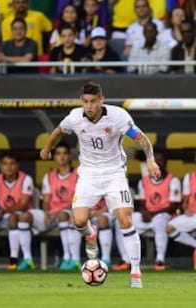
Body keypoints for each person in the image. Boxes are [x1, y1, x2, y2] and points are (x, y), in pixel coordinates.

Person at [40, 81, 161, 288]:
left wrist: (150, 159)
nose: (89, 106)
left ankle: (135, 273)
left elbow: (141, 138)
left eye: (93, 101)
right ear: (81, 101)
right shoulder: (75, 117)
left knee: (125, 219)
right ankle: (91, 234)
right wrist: (46, 148)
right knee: (78, 221)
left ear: (101, 100)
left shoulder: (118, 117)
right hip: (88, 175)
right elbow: (59, 131)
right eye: (85, 101)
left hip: (114, 174)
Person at [133, 151, 181, 270]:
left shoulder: (172, 179)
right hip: (148, 216)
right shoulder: (143, 181)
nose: (158, 163)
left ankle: (159, 260)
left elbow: (174, 205)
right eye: (156, 161)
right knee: (128, 220)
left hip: (166, 216)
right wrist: (144, 212)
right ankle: (128, 259)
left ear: (166, 163)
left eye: (161, 160)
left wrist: (152, 214)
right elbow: (142, 202)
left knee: (160, 220)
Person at [0, 152, 34, 270]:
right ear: (1, 166)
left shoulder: (26, 179)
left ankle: (13, 260)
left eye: (12, 163)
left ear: (17, 165)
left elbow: (23, 205)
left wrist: (3, 211)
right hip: (0, 216)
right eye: (5, 164)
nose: (8, 167)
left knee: (13, 217)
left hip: (20, 214)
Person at [40, 141, 82, 270]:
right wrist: (47, 213)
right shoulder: (48, 177)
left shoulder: (79, 174)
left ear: (69, 156)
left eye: (64, 153)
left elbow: (78, 198)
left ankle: (71, 258)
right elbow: (46, 200)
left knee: (65, 216)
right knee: (26, 218)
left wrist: (60, 211)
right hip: (54, 213)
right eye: (58, 154)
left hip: (73, 210)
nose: (62, 157)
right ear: (55, 157)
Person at [167, 165, 196, 269]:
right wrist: (186, 209)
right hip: (192, 215)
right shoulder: (190, 177)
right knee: (169, 228)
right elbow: (185, 200)